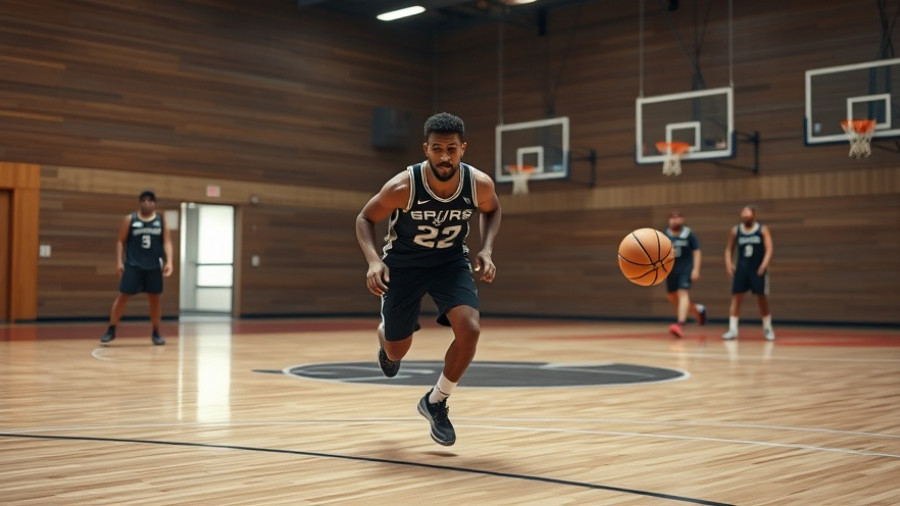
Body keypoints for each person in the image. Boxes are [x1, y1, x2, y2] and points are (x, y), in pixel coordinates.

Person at [355, 112, 502, 446]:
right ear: (426, 149)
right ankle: (387, 337)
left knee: (470, 329)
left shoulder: (479, 184)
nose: (444, 157)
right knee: (397, 350)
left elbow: (493, 209)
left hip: (449, 262)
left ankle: (436, 401)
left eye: (451, 149)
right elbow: (364, 218)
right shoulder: (403, 186)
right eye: (437, 149)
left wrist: (487, 249)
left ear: (463, 148)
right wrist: (374, 261)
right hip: (403, 266)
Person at [100, 190, 174, 345]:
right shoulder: (130, 219)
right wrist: (119, 262)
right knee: (122, 297)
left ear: (154, 203)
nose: (146, 203)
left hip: (153, 266)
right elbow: (120, 241)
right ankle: (111, 329)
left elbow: (167, 241)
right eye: (144, 200)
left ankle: (156, 332)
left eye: (150, 201)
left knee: (155, 299)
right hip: (133, 265)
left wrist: (170, 262)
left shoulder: (161, 220)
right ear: (140, 203)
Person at [723, 205, 775, 341]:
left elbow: (769, 248)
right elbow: (729, 249)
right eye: (744, 214)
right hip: (742, 268)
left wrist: (764, 264)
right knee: (736, 297)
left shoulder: (762, 229)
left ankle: (768, 328)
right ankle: (732, 329)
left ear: (754, 215)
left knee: (762, 297)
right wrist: (729, 263)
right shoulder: (736, 230)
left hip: (757, 268)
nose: (745, 216)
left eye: (748, 214)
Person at [663, 211, 706, 338]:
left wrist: (696, 269)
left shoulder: (688, 234)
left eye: (677, 218)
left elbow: (697, 251)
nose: (674, 220)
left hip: (685, 269)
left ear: (683, 220)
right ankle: (697, 310)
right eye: (672, 218)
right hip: (671, 270)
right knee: (672, 297)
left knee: (682, 293)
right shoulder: (665, 235)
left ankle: (680, 324)